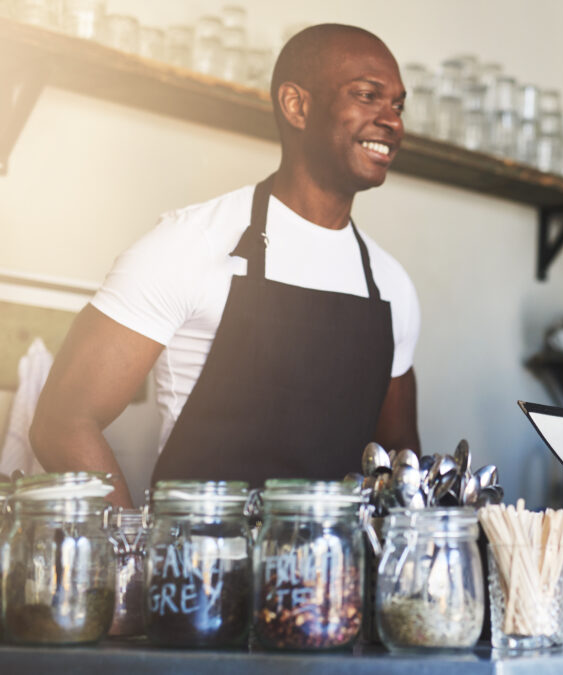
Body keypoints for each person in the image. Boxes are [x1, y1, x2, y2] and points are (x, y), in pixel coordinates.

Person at [29, 24, 420, 508]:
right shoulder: (187, 244)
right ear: (297, 106)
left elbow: (401, 460)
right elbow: (61, 422)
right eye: (368, 96)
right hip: (201, 573)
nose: (393, 121)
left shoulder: (391, 285)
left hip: (335, 578)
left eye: (398, 106)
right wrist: (136, 558)